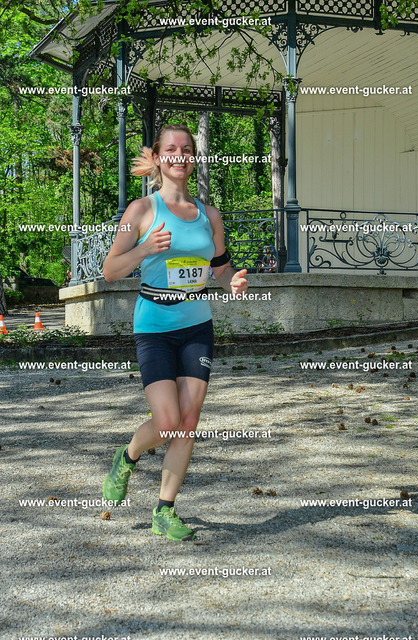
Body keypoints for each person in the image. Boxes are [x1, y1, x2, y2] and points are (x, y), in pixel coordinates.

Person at [102, 124, 248, 541]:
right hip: (154, 327)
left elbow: (219, 268)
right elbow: (110, 270)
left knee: (188, 421)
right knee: (167, 422)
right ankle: (128, 456)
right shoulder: (140, 211)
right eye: (171, 149)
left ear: (193, 157)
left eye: (186, 149)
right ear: (158, 157)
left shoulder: (209, 215)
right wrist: (145, 248)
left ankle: (164, 510)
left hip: (197, 326)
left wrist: (232, 282)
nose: (179, 156)